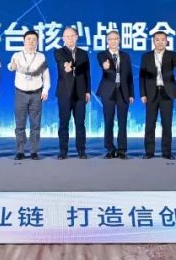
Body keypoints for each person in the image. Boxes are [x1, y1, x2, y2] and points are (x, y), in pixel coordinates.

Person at [8, 30, 50, 160]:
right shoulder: (17, 55)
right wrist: (11, 66)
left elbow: (46, 75)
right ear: (24, 41)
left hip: (36, 94)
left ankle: (34, 151)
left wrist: (45, 90)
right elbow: (11, 66)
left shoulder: (41, 57)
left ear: (37, 42)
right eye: (28, 39)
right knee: (20, 124)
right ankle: (20, 151)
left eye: (34, 39)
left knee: (35, 124)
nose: (31, 41)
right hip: (20, 93)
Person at [139, 31, 176, 159]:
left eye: (163, 39)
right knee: (150, 124)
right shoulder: (146, 56)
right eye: (157, 39)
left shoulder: (172, 55)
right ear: (153, 41)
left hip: (167, 93)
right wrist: (143, 94)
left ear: (167, 41)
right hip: (151, 92)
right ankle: (149, 152)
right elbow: (142, 76)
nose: (160, 42)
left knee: (167, 124)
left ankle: (167, 152)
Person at [53, 27, 91, 159]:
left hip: (80, 93)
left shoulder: (83, 53)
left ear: (76, 37)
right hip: (64, 93)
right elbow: (62, 62)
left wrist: (88, 91)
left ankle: (81, 150)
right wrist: (67, 66)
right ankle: (63, 151)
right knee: (64, 123)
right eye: (67, 36)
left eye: (72, 36)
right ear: (63, 38)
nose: (70, 38)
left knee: (80, 123)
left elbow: (87, 73)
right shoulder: (59, 52)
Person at [96, 30, 134, 158]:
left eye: (115, 38)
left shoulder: (125, 56)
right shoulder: (102, 54)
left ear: (119, 40)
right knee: (108, 121)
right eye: (110, 39)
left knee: (122, 122)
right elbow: (102, 63)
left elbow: (129, 75)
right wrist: (105, 66)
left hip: (123, 91)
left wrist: (131, 94)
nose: (113, 41)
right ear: (107, 41)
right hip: (108, 91)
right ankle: (110, 149)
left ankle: (122, 149)